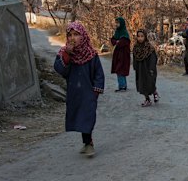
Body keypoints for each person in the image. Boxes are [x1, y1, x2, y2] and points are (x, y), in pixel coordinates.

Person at [54, 21, 105, 157]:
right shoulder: (64, 53)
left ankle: (89, 144)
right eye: (70, 35)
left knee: (87, 117)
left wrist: (96, 91)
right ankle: (86, 143)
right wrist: (67, 56)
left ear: (83, 36)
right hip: (74, 93)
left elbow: (99, 74)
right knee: (79, 117)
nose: (72, 38)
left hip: (89, 93)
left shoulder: (91, 55)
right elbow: (60, 70)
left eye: (76, 35)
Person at [132, 29, 159, 107]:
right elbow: (134, 58)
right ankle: (147, 99)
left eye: (142, 36)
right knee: (142, 85)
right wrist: (135, 66)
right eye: (138, 36)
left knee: (150, 84)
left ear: (145, 37)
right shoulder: (136, 47)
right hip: (140, 70)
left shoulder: (149, 47)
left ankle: (154, 92)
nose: (140, 38)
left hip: (148, 69)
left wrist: (151, 68)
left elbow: (153, 58)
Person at [111, 17, 131, 91]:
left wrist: (117, 42)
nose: (117, 24)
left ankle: (122, 86)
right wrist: (116, 41)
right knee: (119, 69)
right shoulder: (117, 31)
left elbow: (122, 42)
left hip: (124, 55)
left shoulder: (124, 32)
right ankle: (123, 85)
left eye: (118, 23)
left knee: (120, 69)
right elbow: (113, 40)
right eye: (116, 23)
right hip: (118, 54)